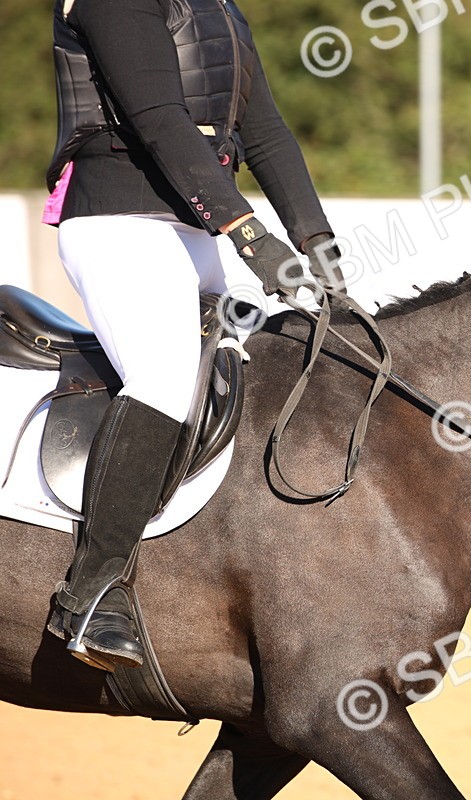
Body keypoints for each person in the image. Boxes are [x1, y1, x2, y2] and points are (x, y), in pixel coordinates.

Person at [42, 0, 343, 671]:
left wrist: (319, 247)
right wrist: (247, 232)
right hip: (120, 220)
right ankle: (91, 593)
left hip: (193, 231)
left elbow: (263, 132)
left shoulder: (223, 10)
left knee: (263, 364)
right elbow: (156, 118)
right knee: (167, 380)